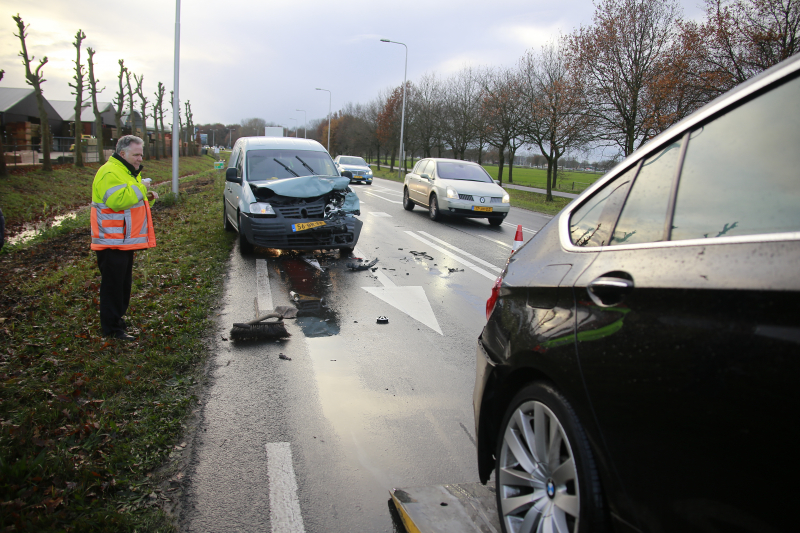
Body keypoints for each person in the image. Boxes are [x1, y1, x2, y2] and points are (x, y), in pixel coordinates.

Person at [90, 135, 157, 340]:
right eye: (136, 154)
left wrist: (148, 197)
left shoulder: (127, 172)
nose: (140, 158)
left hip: (122, 241)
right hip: (111, 241)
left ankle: (118, 324)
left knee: (122, 286)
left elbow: (132, 203)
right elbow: (117, 201)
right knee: (113, 287)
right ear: (123, 154)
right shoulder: (110, 172)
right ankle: (112, 330)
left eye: (141, 154)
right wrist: (141, 188)